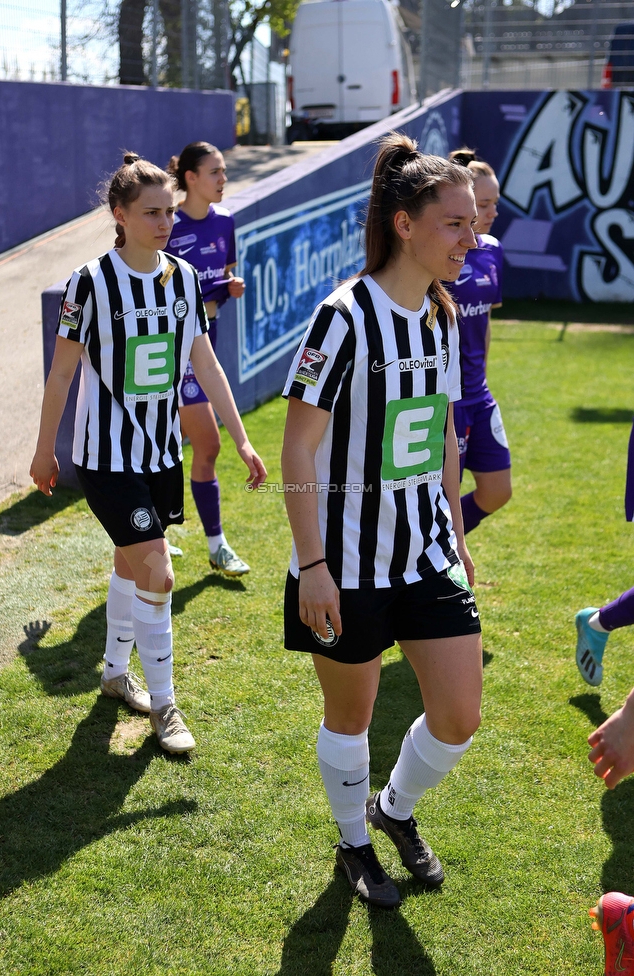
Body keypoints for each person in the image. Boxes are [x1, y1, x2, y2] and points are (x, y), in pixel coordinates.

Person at [280, 133, 483, 908]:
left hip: (426, 551)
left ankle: (391, 810)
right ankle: (354, 842)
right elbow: (298, 447)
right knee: (351, 715)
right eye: (456, 223)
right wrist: (314, 566)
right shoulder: (343, 318)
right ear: (406, 223)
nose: (472, 237)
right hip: (346, 562)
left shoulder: (443, 314)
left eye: (473, 223)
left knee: (459, 714)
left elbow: (442, 438)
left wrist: (457, 541)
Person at [30, 152, 266, 754]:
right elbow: (61, 376)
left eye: (167, 211)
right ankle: (165, 707)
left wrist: (239, 437)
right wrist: (42, 451)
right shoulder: (89, 283)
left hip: (162, 454)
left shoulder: (183, 279)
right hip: (107, 458)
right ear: (120, 215)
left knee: (128, 565)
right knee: (158, 572)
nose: (164, 222)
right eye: (151, 212)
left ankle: (113, 674)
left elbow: (205, 364)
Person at [166, 142, 249, 576]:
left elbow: (218, 283)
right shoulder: (166, 223)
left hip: (206, 338)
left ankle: (169, 535)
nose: (223, 179)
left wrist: (229, 288)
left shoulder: (226, 222)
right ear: (190, 178)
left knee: (175, 447)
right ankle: (209, 545)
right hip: (168, 349)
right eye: (214, 172)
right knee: (204, 443)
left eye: (224, 172)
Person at [446, 149, 511, 534]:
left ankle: (444, 549)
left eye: (494, 204)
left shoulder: (493, 251)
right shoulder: (439, 253)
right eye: (483, 204)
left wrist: (481, 376)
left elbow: (483, 319)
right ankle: (434, 566)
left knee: (497, 490)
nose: (491, 213)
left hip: (479, 395)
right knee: (442, 496)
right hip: (445, 399)